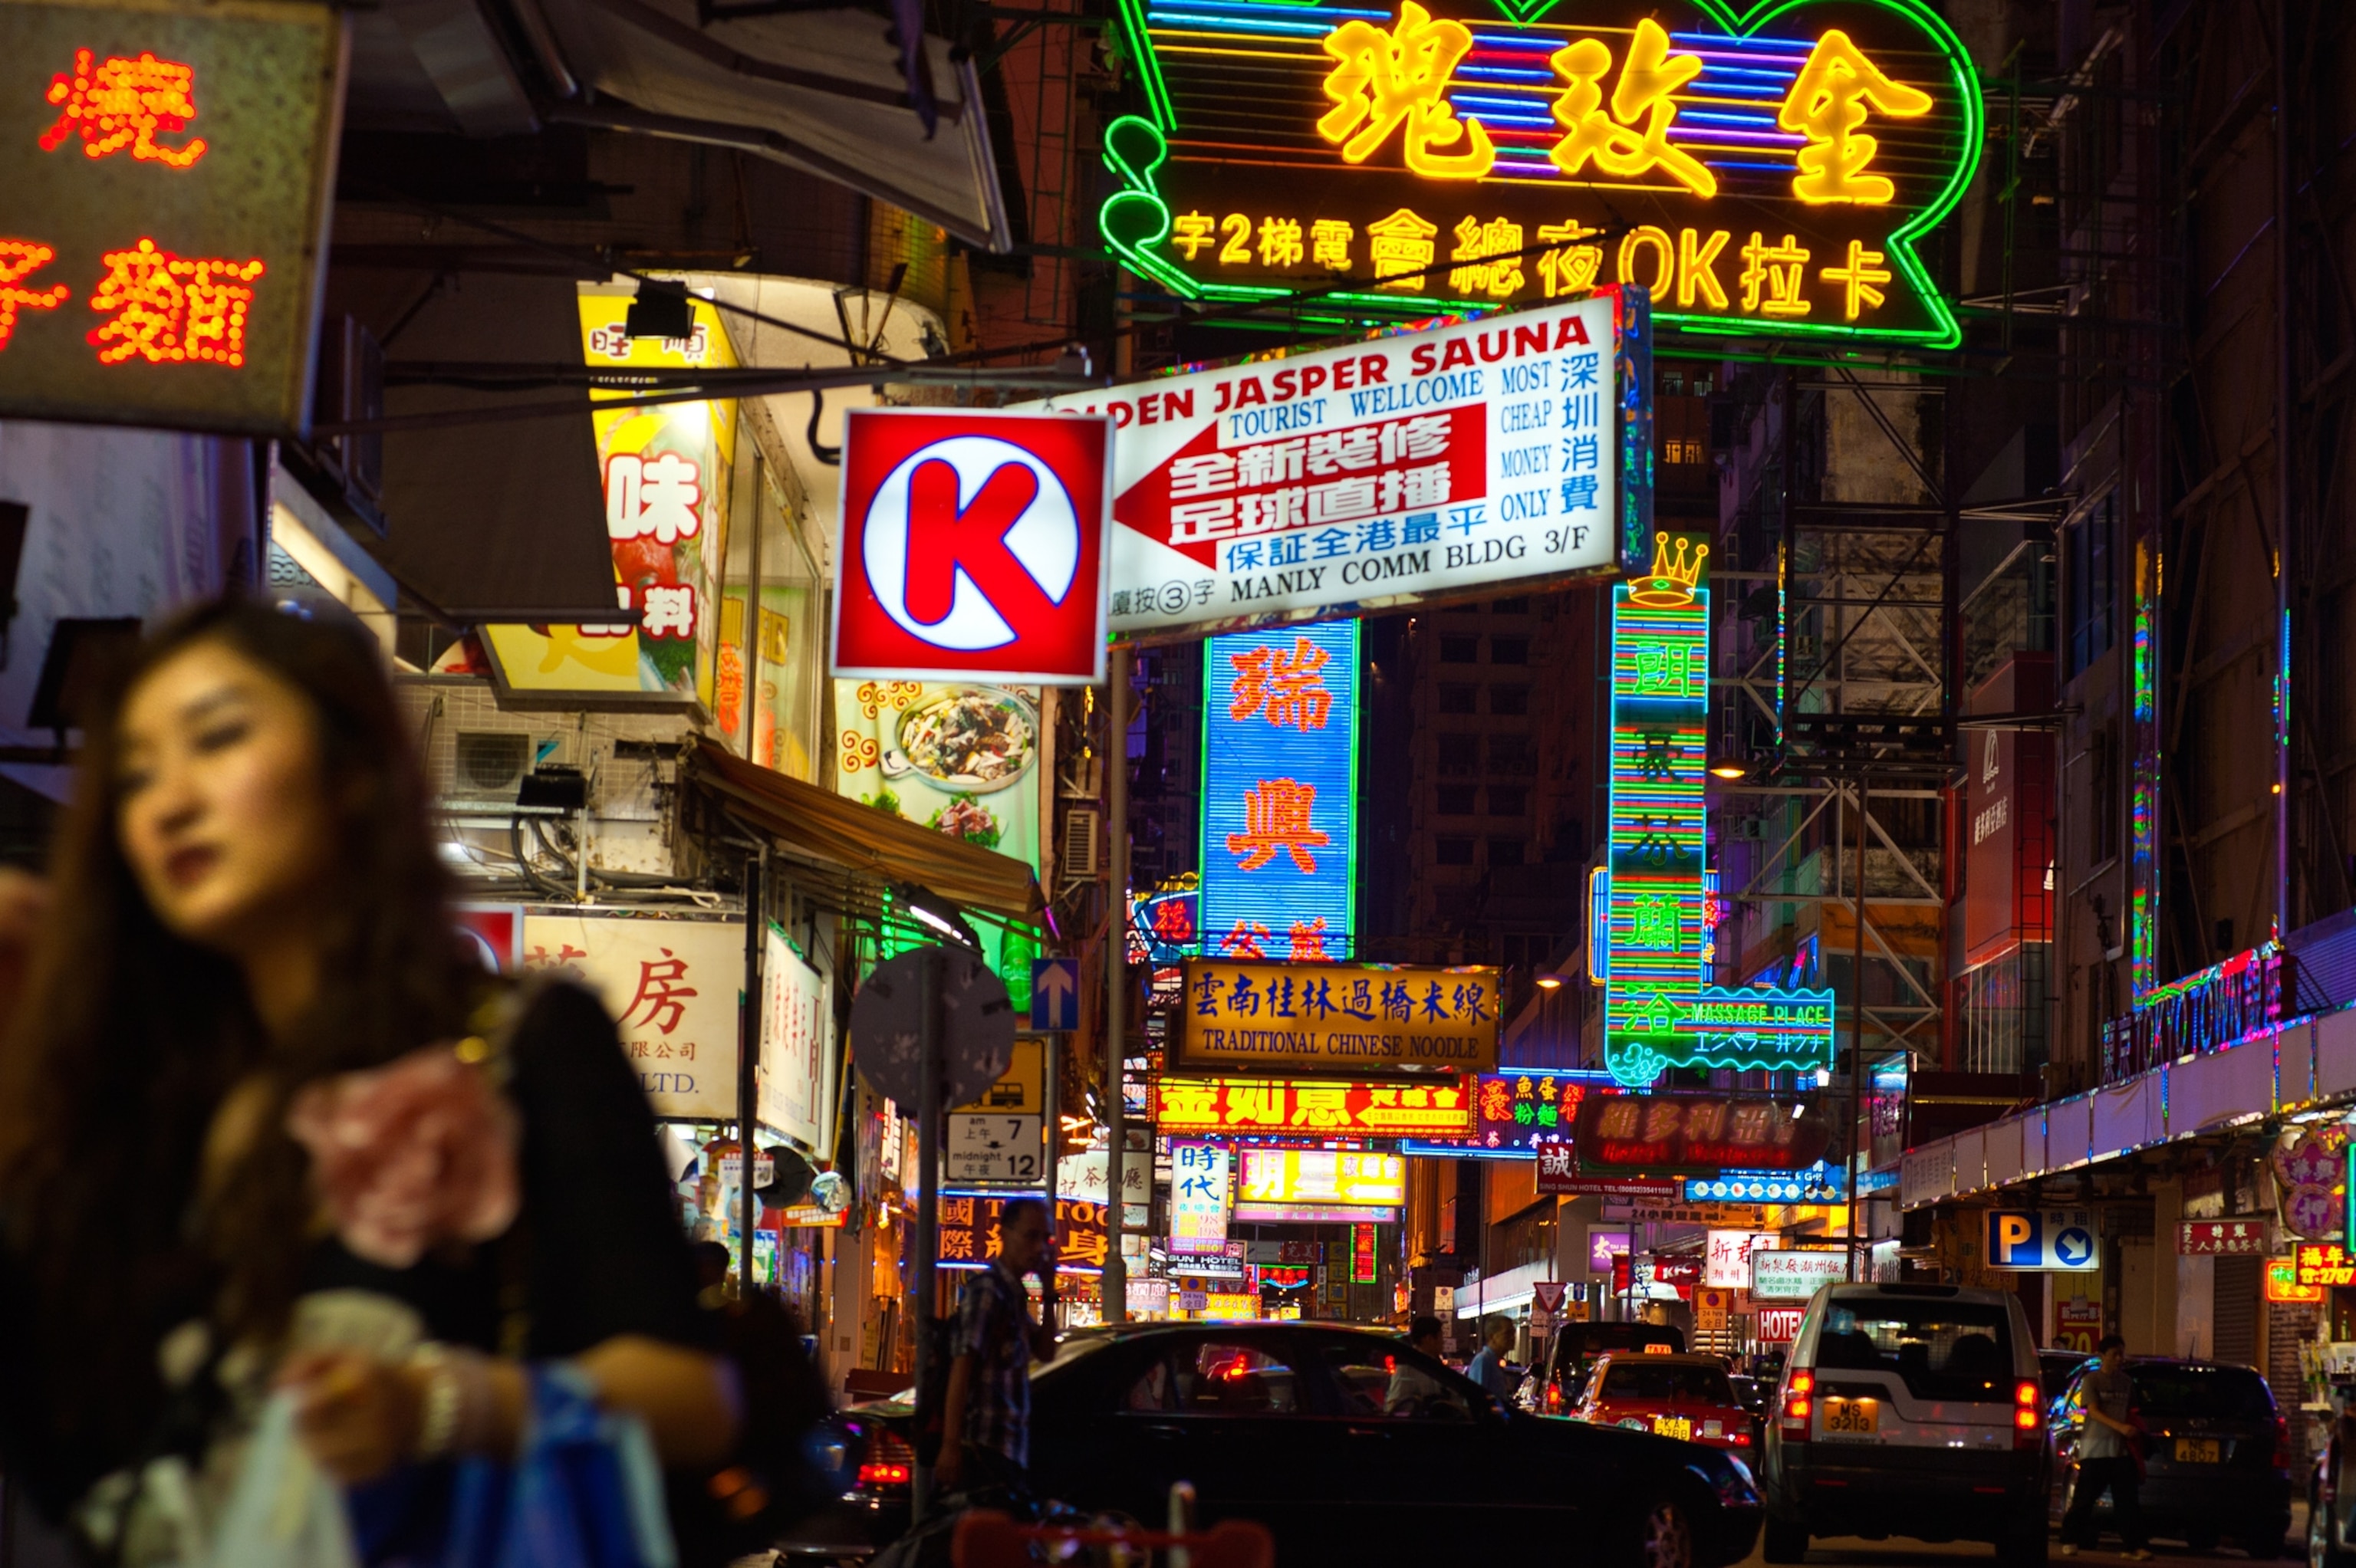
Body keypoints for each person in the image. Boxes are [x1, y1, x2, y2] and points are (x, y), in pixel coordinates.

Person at [0, 598, 742, 1563]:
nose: (169, 801)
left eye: (217, 738)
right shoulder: (144, 1104)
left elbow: (694, 1400)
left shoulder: (516, 1045)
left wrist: (442, 1403)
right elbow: (67, 1462)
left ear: (350, 769)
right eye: (136, 774)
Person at [936, 1198, 1057, 1499]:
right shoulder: (988, 1291)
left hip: (1009, 1451)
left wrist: (1048, 1293)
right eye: (1031, 1236)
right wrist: (951, 1446)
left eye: (1046, 1239)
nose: (1039, 1248)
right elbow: (961, 1369)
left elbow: (1046, 1353)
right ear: (1004, 1234)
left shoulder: (1013, 1295)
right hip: (984, 1449)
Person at [2060, 1334, 2149, 1560]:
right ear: (2102, 1355)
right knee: (2085, 1499)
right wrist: (2120, 1427)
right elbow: (2093, 1411)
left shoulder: (2127, 1382)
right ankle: (2070, 1538)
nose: (2120, 1359)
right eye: (2115, 1354)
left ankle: (2133, 1546)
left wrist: (2135, 1430)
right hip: (2096, 1449)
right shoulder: (2092, 1381)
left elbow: (2133, 1411)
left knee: (2127, 1502)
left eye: (2122, 1354)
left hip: (2121, 1451)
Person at [1384, 1315, 1448, 1415]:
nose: (1443, 1342)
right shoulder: (1407, 1367)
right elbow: (1395, 1406)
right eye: (1441, 1337)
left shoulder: (1433, 1363)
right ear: (1429, 1339)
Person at [1464, 1316, 1518, 1402]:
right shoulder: (1483, 1360)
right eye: (1507, 1334)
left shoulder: (1495, 1361)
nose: (1512, 1338)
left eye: (1513, 1333)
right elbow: (1476, 1398)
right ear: (1492, 1337)